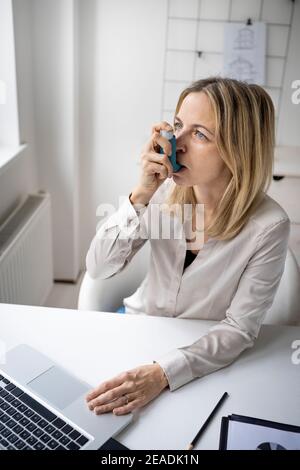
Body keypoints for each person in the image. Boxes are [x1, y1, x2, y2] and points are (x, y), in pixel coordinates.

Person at [85, 77, 290, 417]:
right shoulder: (162, 193)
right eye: (177, 125)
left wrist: (163, 373)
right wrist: (140, 194)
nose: (175, 144)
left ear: (239, 150)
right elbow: (98, 267)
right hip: (138, 328)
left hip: (200, 351)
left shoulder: (269, 225)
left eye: (199, 134)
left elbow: (239, 329)